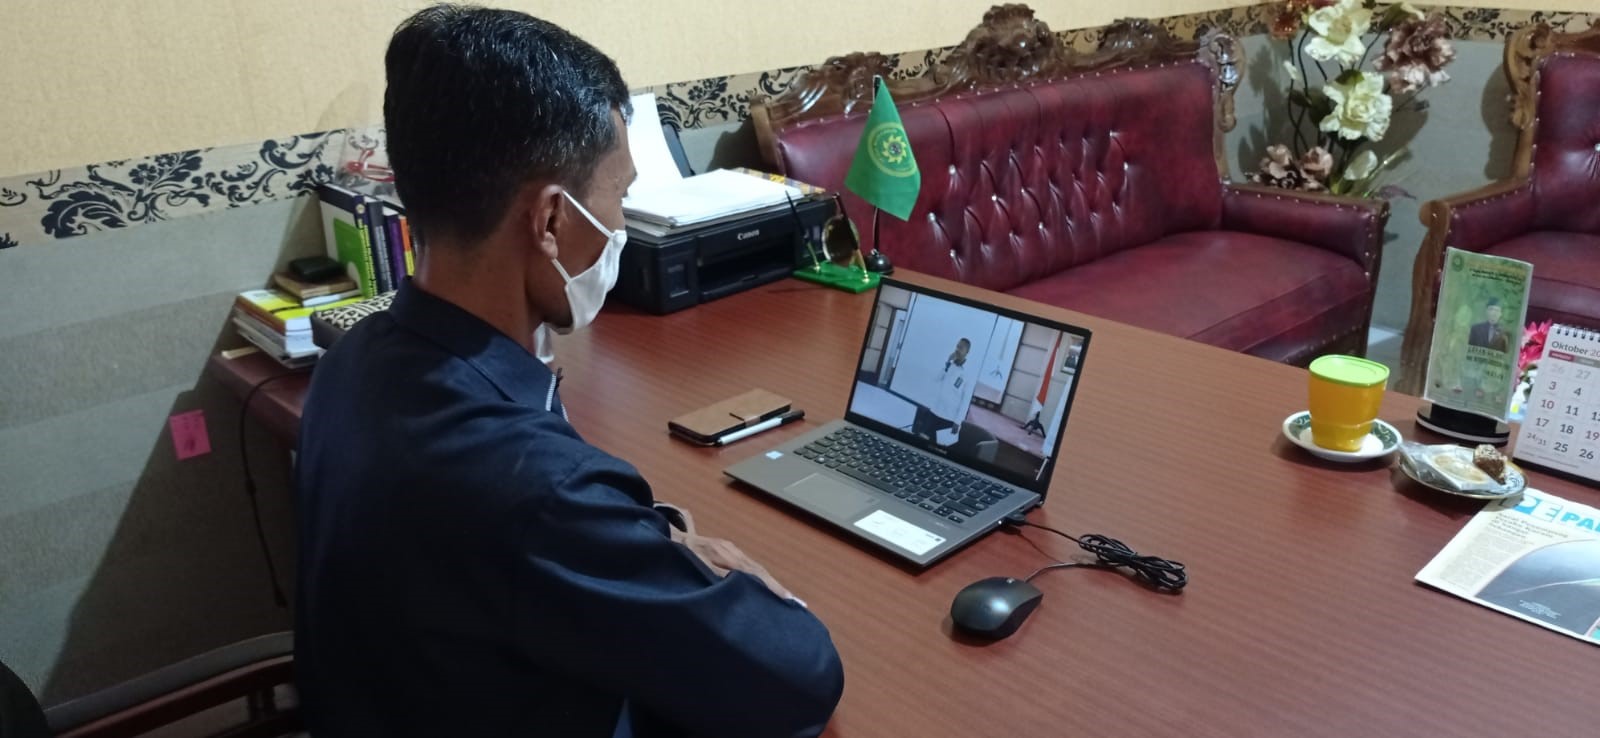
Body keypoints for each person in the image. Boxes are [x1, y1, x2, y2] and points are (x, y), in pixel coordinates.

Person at [294, 6, 843, 737]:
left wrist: (650, 539)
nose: (619, 224)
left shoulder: (352, 362)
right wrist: (712, 571)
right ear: (551, 220)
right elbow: (800, 677)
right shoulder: (533, 487)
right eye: (619, 196)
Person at [912, 338, 970, 444]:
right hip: (935, 410)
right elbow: (936, 379)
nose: (957, 349)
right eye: (957, 346)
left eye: (961, 348)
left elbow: (965, 402)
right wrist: (947, 363)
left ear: (967, 352)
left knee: (937, 446)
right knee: (923, 438)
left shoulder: (968, 374)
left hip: (949, 417)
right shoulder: (950, 365)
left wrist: (958, 422)